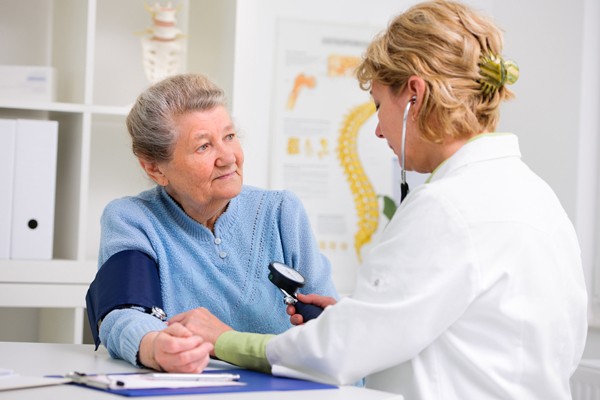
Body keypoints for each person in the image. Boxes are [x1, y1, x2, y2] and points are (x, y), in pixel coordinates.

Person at [168, 1, 588, 398]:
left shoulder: (446, 208)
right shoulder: (536, 195)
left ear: (414, 95)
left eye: (378, 105)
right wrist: (359, 317)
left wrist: (224, 339)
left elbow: (338, 353)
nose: (379, 130)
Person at [85, 73, 338, 373]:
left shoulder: (281, 213)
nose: (228, 158)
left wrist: (331, 334)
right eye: (204, 146)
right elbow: (124, 313)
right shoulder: (134, 220)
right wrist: (155, 347)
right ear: (154, 168)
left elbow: (335, 335)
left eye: (229, 136)